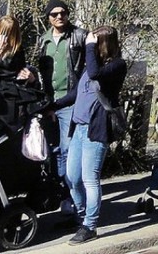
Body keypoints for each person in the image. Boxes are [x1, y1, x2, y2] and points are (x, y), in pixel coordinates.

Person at [54, 26, 127, 245]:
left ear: (103, 43)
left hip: (97, 130)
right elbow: (76, 94)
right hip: (79, 129)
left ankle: (90, 225)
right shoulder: (91, 66)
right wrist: (51, 106)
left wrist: (89, 46)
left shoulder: (117, 65)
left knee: (89, 178)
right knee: (72, 177)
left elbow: (95, 74)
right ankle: (82, 213)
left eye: (95, 42)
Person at [36, 0, 88, 188]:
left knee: (68, 148)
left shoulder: (79, 36)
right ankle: (60, 188)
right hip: (49, 102)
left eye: (63, 13)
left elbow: (88, 67)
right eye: (54, 14)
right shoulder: (43, 40)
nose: (59, 17)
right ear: (48, 17)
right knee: (53, 149)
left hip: (70, 101)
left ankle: (69, 192)